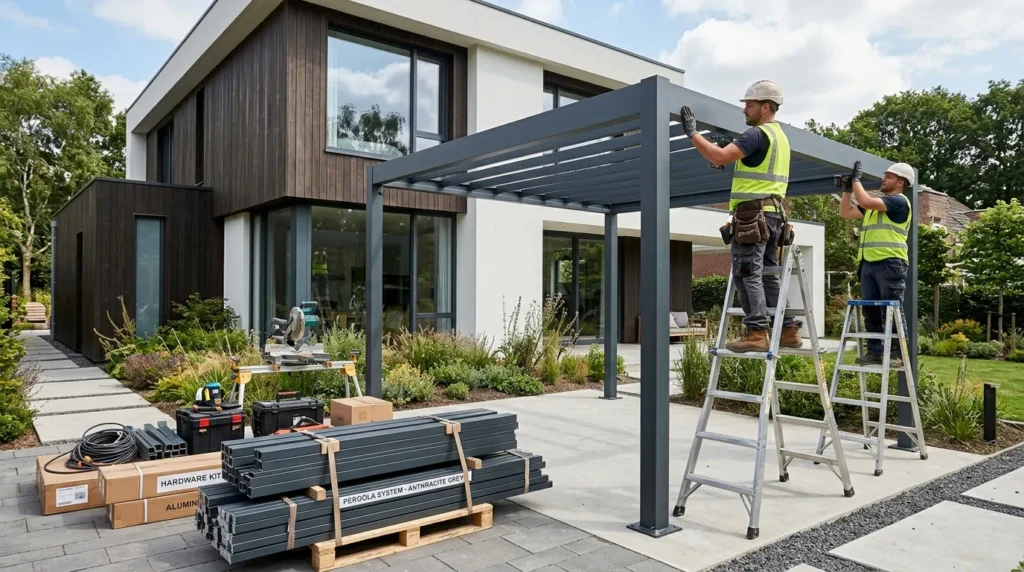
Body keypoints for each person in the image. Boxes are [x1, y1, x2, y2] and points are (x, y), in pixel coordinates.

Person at [681, 80, 801, 352]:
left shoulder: (758, 134)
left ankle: (757, 332)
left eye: (749, 104)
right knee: (769, 275)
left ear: (766, 107)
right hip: (772, 215)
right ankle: (788, 329)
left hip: (752, 216)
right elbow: (745, 163)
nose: (744, 110)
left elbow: (721, 157)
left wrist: (693, 134)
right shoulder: (780, 138)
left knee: (747, 273)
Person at [839, 160, 915, 367]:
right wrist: (847, 189)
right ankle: (875, 352)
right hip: (869, 263)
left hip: (891, 263)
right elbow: (845, 212)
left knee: (892, 310)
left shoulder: (898, 202)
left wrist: (856, 180)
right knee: (870, 310)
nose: (884, 179)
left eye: (889, 177)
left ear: (900, 183)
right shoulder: (875, 207)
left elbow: (864, 200)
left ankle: (897, 353)